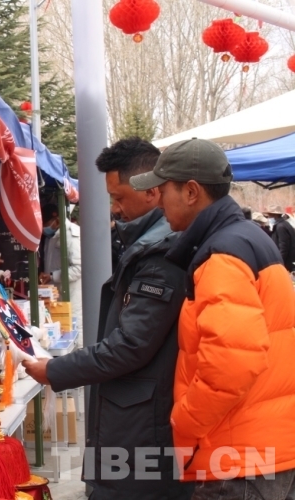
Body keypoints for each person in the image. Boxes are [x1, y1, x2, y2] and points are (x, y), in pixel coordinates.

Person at [24, 137, 193, 499]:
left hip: (145, 420)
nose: (114, 209)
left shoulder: (160, 256)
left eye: (119, 198)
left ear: (151, 192)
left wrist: (55, 370)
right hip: (138, 412)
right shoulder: (148, 246)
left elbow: (130, 345)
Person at [130, 138, 295, 500]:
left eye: (162, 190)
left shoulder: (223, 254)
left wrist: (185, 419)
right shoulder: (244, 239)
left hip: (241, 455)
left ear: (191, 192)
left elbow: (232, 363)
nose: (158, 202)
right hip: (264, 446)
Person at [39, 203, 82, 344]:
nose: (45, 228)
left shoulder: (71, 235)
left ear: (57, 220)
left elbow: (78, 268)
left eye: (46, 224)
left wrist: (53, 276)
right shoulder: (52, 236)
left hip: (70, 295)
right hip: (55, 296)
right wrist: (47, 275)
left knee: (73, 335)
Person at [263, 204, 295, 272]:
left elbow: (283, 247)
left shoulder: (280, 227)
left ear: (275, 215)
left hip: (286, 263)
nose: (268, 218)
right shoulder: (284, 224)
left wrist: (279, 262)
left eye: (270, 215)